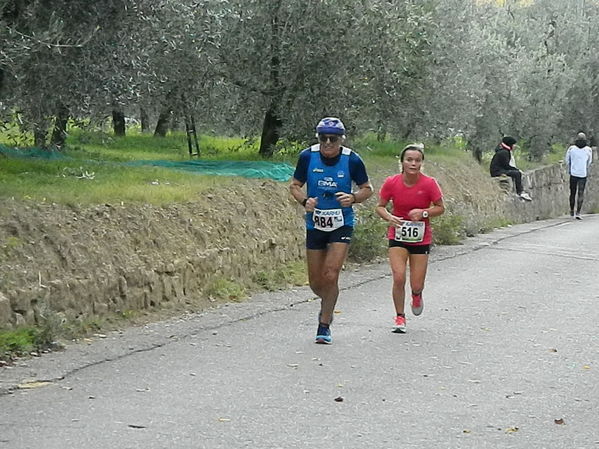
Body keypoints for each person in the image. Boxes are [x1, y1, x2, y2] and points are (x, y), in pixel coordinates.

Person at [289, 117, 373, 344]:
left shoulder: (352, 160)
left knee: (331, 274)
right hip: (315, 223)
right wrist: (304, 201)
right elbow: (295, 185)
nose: (328, 143)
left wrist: (353, 198)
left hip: (341, 223)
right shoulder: (307, 156)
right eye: (323, 138)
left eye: (332, 139)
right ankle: (328, 301)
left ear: (341, 140)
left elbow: (368, 189)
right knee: (316, 282)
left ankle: (324, 324)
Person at [375, 143, 445, 333]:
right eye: (409, 160)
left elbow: (440, 207)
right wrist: (389, 217)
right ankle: (399, 317)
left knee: (416, 283)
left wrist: (423, 213)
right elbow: (380, 206)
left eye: (417, 160)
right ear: (402, 162)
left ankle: (416, 294)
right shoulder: (392, 182)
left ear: (422, 163)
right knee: (398, 277)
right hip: (397, 234)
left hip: (420, 238)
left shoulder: (429, 183)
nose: (413, 164)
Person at [489, 136, 532, 201]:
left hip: (498, 170)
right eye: (513, 144)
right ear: (510, 144)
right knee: (517, 174)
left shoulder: (503, 151)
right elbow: (506, 166)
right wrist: (517, 170)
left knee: (516, 173)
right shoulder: (504, 152)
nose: (515, 146)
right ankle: (520, 192)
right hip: (497, 172)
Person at [565, 132, 593, 220]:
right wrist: (584, 167)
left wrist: (570, 168)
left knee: (572, 192)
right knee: (581, 192)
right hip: (582, 174)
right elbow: (589, 161)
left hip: (573, 173)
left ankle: (572, 210)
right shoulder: (588, 150)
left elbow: (567, 160)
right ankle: (578, 212)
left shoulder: (571, 149)